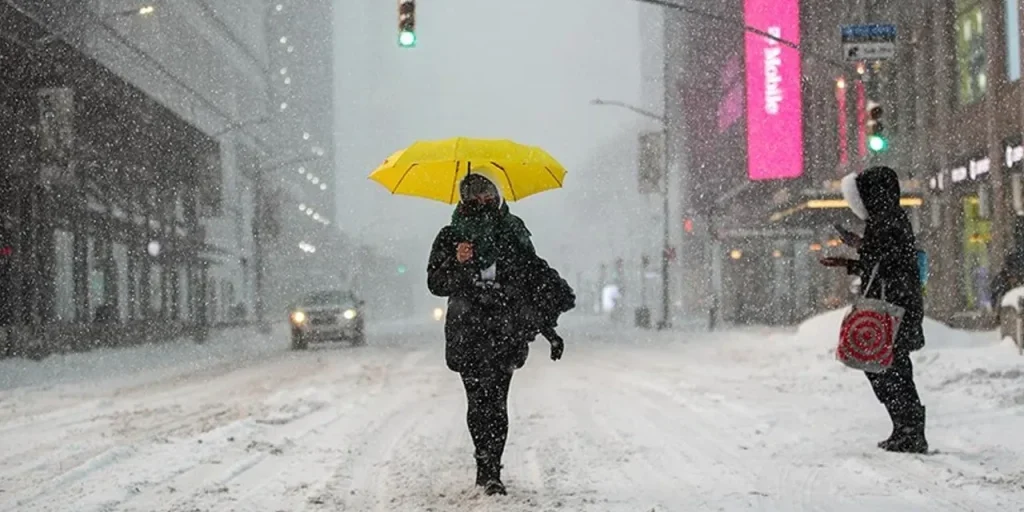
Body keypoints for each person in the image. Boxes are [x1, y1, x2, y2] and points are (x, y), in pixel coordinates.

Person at [427, 171, 575, 495]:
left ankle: (493, 470)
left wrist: (548, 325)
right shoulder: (451, 236)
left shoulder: (513, 232)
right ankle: (483, 463)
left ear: (497, 195)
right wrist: (457, 260)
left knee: (497, 402)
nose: (484, 199)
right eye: (475, 194)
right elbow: (436, 283)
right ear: (465, 199)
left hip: (504, 331)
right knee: (477, 403)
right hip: (468, 331)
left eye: (488, 193)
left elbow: (531, 278)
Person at [820, 166, 928, 454]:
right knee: (888, 367)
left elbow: (888, 263)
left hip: (893, 308)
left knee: (888, 368)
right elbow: (884, 261)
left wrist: (859, 252)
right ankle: (906, 427)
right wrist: (854, 257)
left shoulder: (888, 221)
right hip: (896, 306)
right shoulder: (888, 220)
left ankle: (910, 429)